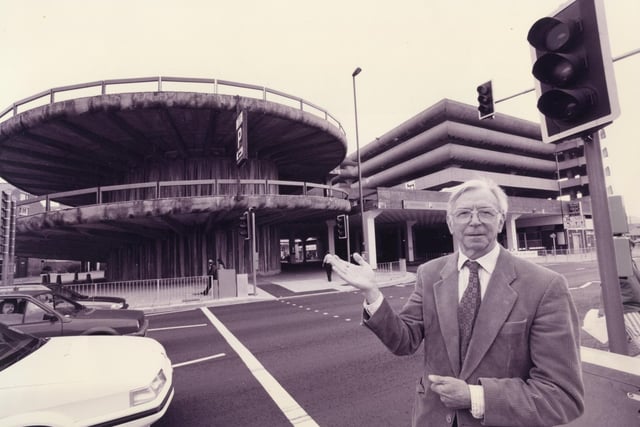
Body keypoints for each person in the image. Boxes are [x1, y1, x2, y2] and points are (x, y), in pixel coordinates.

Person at [326, 178, 584, 427]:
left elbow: (562, 395)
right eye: (463, 214)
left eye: (485, 212)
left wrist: (476, 397)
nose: (474, 222)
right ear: (450, 223)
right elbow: (404, 341)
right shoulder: (429, 274)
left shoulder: (546, 285)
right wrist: (372, 292)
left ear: (501, 221)